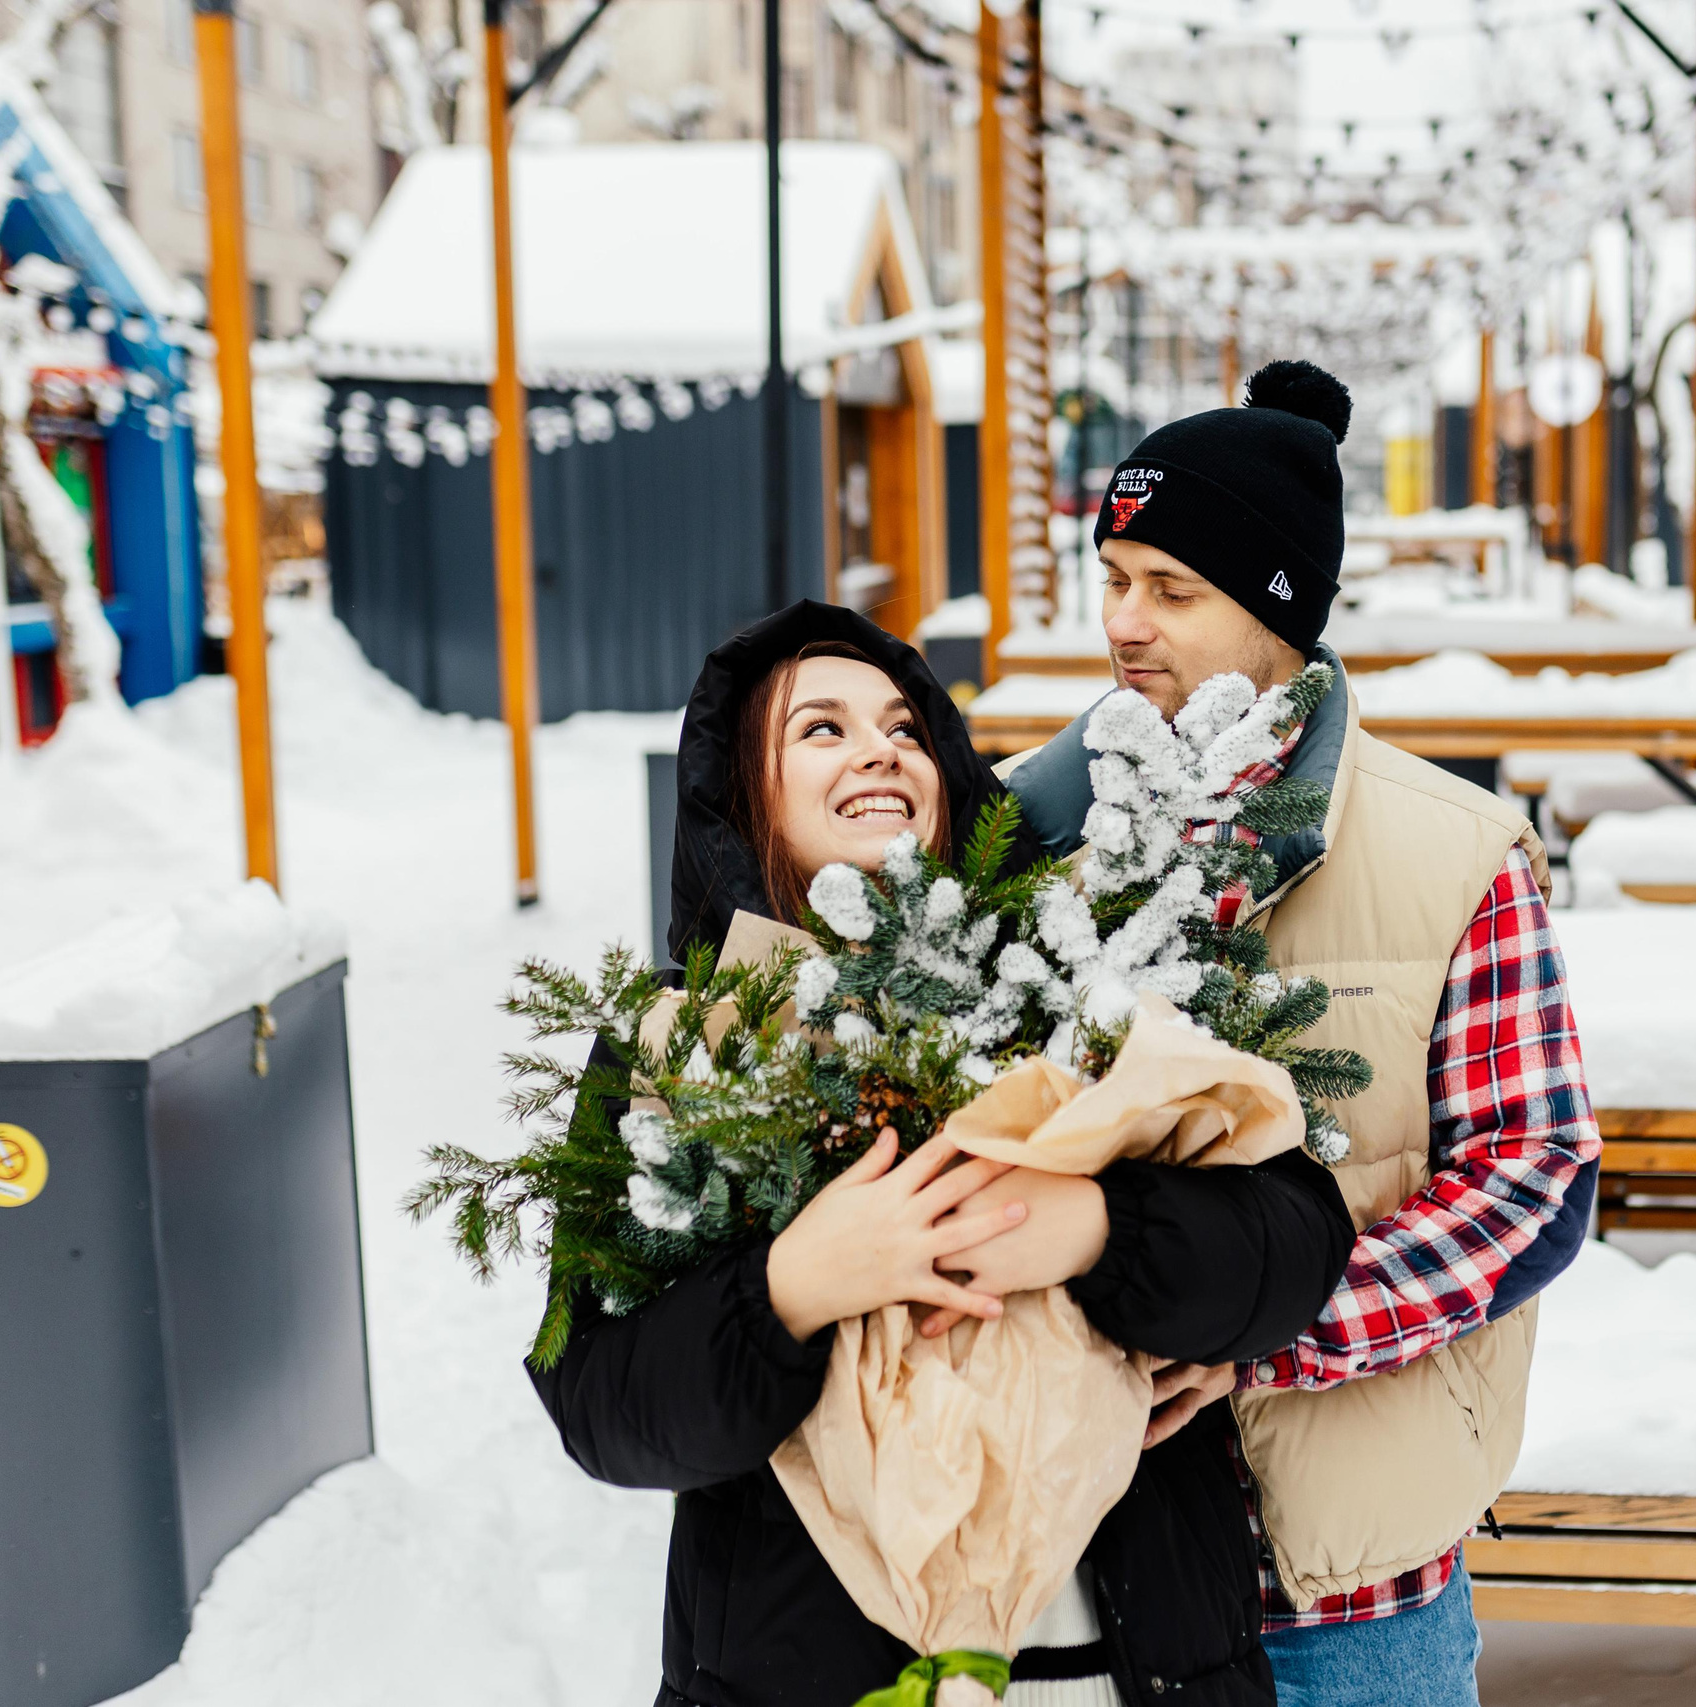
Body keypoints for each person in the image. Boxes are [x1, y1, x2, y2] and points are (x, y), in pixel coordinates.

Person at [528, 601, 1357, 1707]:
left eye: (905, 729)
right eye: (821, 729)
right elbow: (600, 1403)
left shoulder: (1089, 974)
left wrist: (1105, 1229)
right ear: (744, 795)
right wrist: (792, 1285)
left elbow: (1296, 1239)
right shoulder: (684, 1047)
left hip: (1134, 1674)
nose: (879, 749)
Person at [1003, 364, 1605, 1707]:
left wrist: (1267, 1328)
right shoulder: (1027, 835)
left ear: (1274, 607)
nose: (1122, 623)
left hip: (1343, 1588)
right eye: (1114, 579)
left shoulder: (1454, 853)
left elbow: (1533, 1176)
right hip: (1076, 1567)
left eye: (1171, 589)